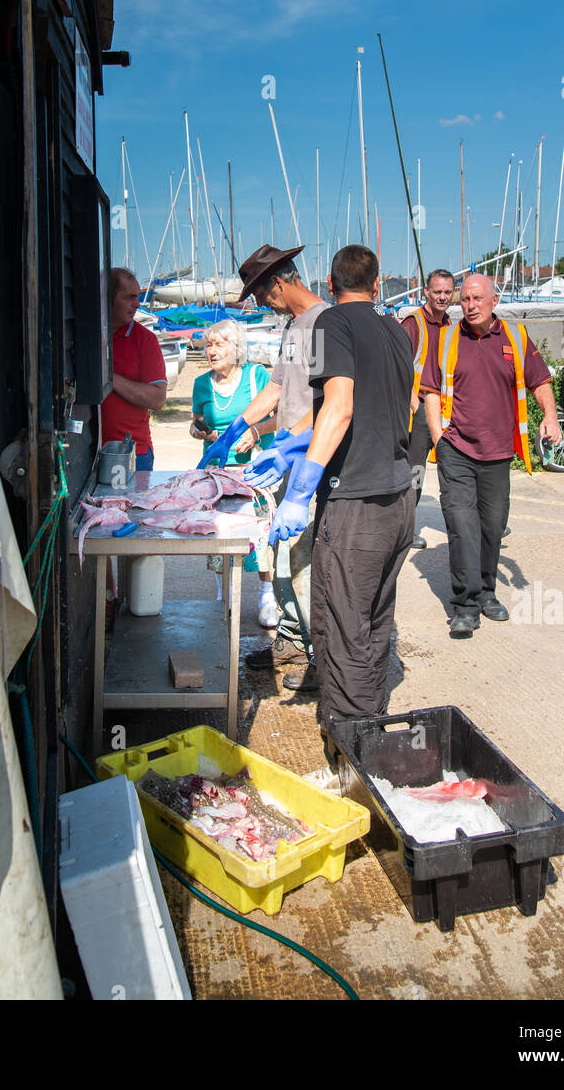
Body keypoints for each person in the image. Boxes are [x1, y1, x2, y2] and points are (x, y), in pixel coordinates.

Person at [266, 245, 415, 751]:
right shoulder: (396, 329)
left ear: (330, 285)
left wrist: (301, 488)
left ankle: (354, 747)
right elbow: (386, 405)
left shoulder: (331, 323)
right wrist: (288, 447)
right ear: (377, 283)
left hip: (356, 502)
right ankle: (369, 715)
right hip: (399, 496)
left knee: (344, 622)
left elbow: (342, 406)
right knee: (375, 620)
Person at [202, 244, 328, 689]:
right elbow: (276, 387)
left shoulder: (324, 325)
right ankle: (292, 635)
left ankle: (323, 658)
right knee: (277, 554)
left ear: (278, 283)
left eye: (258, 295)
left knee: (306, 558)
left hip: (311, 460)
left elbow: (333, 403)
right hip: (285, 458)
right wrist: (238, 427)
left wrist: (294, 448)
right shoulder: (293, 326)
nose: (257, 304)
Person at [420, 272, 560, 639]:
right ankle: (465, 605)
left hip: (499, 453)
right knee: (462, 528)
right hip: (457, 450)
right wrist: (439, 438)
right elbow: (431, 391)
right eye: (465, 299)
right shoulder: (448, 339)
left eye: (477, 298)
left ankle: (486, 592)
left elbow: (540, 380)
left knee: (492, 527)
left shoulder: (514, 337)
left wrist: (550, 415)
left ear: (494, 301)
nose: (470, 305)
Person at [189, 318, 277, 620]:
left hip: (254, 469)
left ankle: (266, 597)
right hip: (215, 473)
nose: (212, 351)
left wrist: (254, 432)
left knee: (261, 537)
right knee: (218, 536)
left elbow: (283, 417)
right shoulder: (201, 384)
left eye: (219, 344)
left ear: (236, 347)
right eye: (209, 345)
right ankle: (222, 594)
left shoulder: (256, 376)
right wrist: (199, 432)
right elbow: (195, 422)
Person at [400, 268, 455, 548]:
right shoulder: (414, 323)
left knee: (454, 468)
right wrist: (413, 404)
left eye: (447, 292)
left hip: (446, 408)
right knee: (415, 472)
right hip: (419, 409)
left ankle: (467, 524)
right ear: (426, 292)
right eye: (438, 292)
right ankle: (406, 531)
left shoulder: (450, 325)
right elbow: (399, 366)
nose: (443, 297)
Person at [100, 268, 167, 469]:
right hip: (84, 453)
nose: (137, 304)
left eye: (137, 297)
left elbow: (157, 399)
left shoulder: (145, 340)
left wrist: (108, 377)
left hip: (130, 455)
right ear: (106, 297)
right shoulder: (85, 335)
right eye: (129, 297)